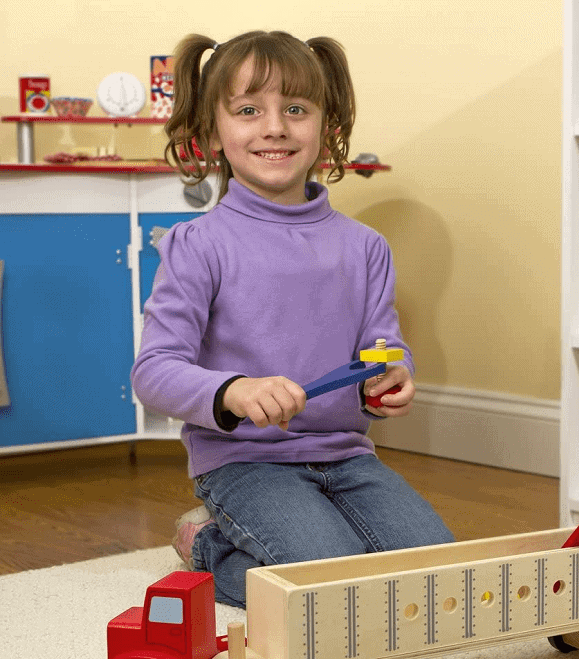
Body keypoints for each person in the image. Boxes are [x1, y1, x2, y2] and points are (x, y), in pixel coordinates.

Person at [131, 30, 454, 607]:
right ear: (212, 133)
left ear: (327, 129)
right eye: (249, 110)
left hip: (348, 455)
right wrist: (234, 390)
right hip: (244, 461)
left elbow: (381, 347)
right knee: (335, 591)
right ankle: (209, 546)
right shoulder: (196, 244)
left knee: (437, 578)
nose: (274, 127)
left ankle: (281, 544)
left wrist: (393, 376)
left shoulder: (365, 247)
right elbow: (153, 373)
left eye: (296, 110)